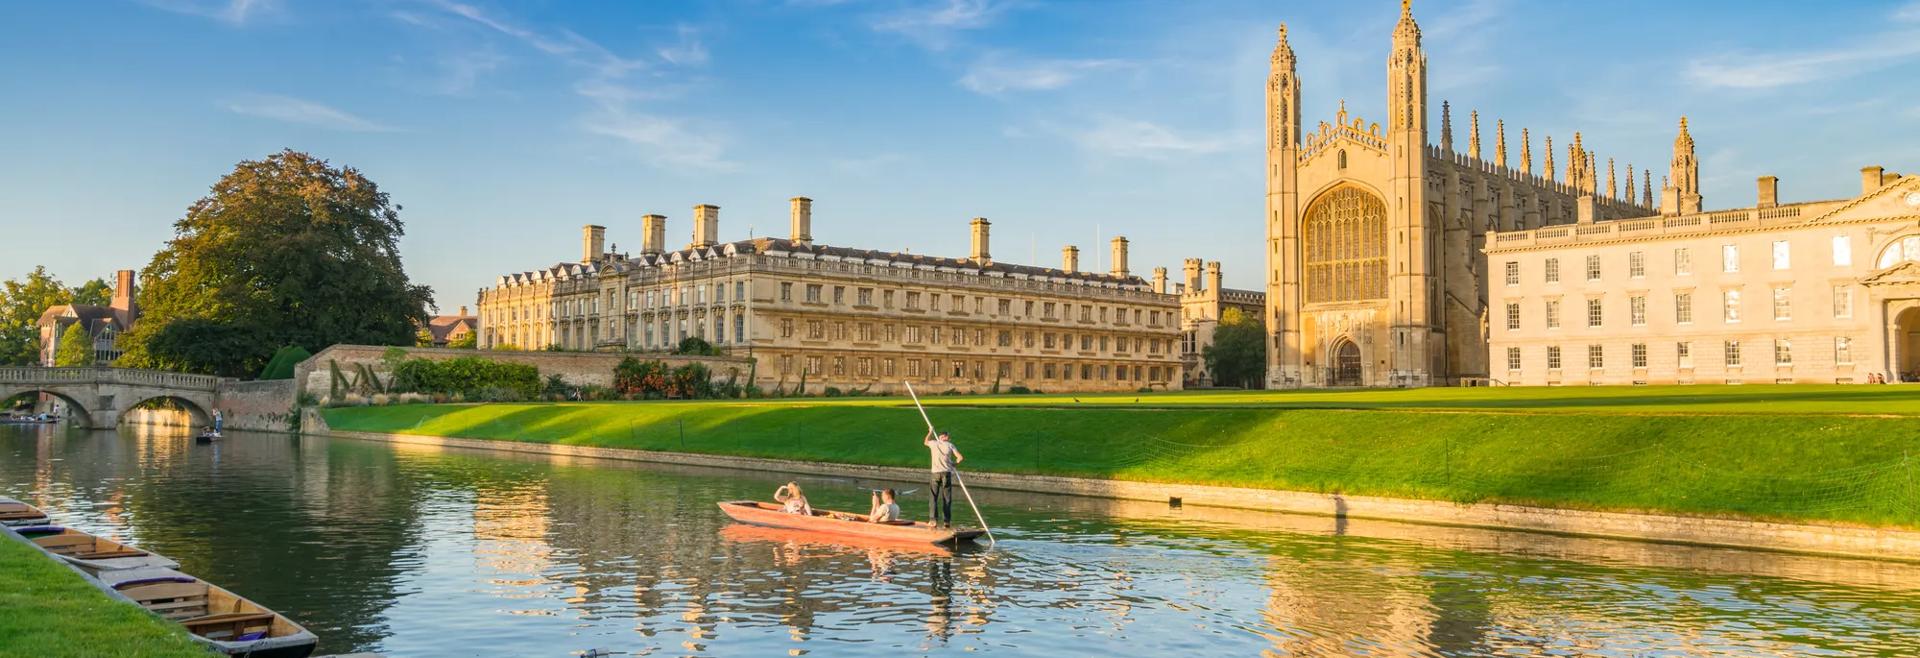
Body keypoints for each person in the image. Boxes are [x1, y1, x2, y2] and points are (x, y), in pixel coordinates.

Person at [923, 430, 963, 527]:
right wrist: (955, 464)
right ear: (943, 436)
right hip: (946, 473)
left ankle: (933, 520)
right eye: (948, 436)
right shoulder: (950, 445)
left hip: (935, 474)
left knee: (933, 497)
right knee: (947, 498)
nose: (949, 438)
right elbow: (960, 458)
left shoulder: (933, 443)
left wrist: (930, 432)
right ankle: (946, 521)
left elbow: (925, 442)